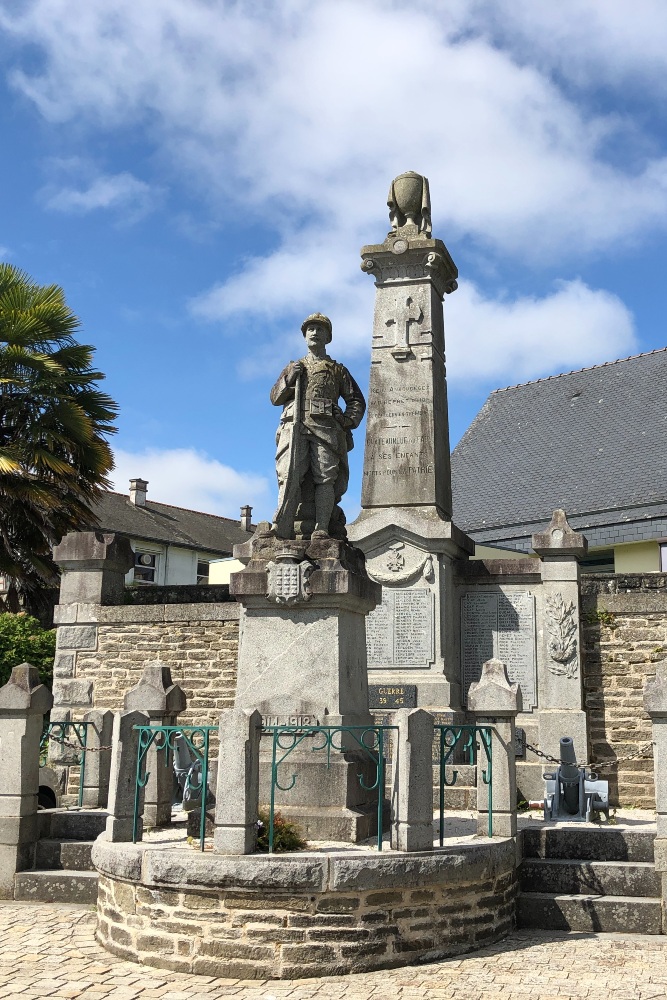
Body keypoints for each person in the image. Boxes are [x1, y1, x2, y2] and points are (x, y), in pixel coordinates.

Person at [271, 313, 365, 539]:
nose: (314, 332)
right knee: (288, 474)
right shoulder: (293, 366)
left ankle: (322, 526)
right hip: (294, 426)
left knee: (325, 476)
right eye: (310, 329)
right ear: (304, 336)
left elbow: (356, 401)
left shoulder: (337, 369)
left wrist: (345, 420)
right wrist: (289, 379)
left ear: (328, 337)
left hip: (325, 428)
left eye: (319, 329)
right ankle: (282, 523)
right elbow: (275, 397)